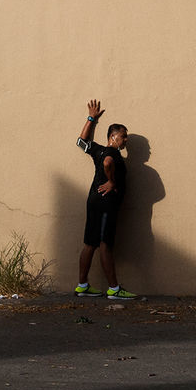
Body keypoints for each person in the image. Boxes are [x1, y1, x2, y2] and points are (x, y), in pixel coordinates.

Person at [74, 99, 136, 299]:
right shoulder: (112, 154)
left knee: (90, 243)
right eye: (123, 136)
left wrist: (92, 118)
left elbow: (81, 142)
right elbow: (109, 163)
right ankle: (114, 289)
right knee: (105, 243)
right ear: (113, 136)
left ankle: (82, 285)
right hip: (106, 203)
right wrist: (112, 181)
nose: (125, 140)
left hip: (93, 200)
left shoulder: (99, 150)